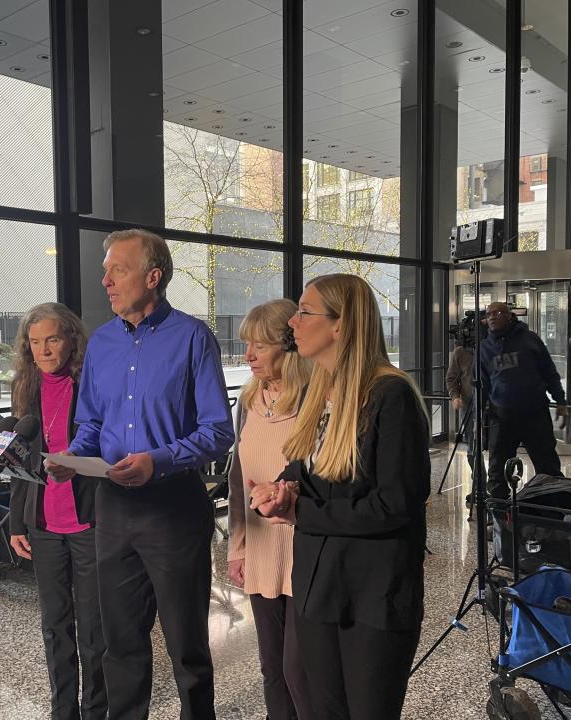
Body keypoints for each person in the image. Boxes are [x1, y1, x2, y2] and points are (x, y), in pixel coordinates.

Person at [47, 229, 234, 720]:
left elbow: (218, 431)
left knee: (187, 647)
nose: (104, 279)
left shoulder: (194, 338)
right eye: (106, 270)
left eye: (117, 269)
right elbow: (91, 423)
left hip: (173, 510)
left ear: (153, 277)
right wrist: (71, 458)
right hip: (113, 510)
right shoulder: (103, 343)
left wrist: (160, 460)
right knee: (120, 645)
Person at [249, 274, 431, 720]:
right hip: (318, 585)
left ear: (340, 325)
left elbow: (395, 505)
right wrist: (282, 486)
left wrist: (300, 511)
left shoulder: (390, 396)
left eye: (304, 312)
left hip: (372, 594)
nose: (292, 321)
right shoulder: (318, 390)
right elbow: (308, 466)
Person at [7, 302, 106, 720]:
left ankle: (96, 710)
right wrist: (16, 521)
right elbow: (18, 458)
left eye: (52, 339)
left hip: (89, 520)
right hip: (43, 522)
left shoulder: (91, 383)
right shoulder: (24, 387)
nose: (43, 350)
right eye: (34, 342)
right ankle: (62, 711)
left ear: (71, 340)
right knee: (55, 626)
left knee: (94, 629)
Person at [226, 299, 314, 720]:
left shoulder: (317, 401)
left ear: (290, 345)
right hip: (261, 547)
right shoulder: (247, 401)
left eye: (259, 346)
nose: (248, 356)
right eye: (247, 345)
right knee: (271, 668)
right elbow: (237, 481)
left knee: (301, 670)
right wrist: (236, 548)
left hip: (307, 546)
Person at [479, 302, 568, 499]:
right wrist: (478, 417)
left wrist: (560, 401)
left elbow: (549, 372)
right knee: (497, 469)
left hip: (534, 414)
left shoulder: (530, 340)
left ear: (510, 316)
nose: (493, 317)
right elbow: (483, 385)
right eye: (489, 314)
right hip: (501, 417)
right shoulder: (484, 348)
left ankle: (553, 510)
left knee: (547, 465)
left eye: (498, 312)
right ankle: (500, 515)